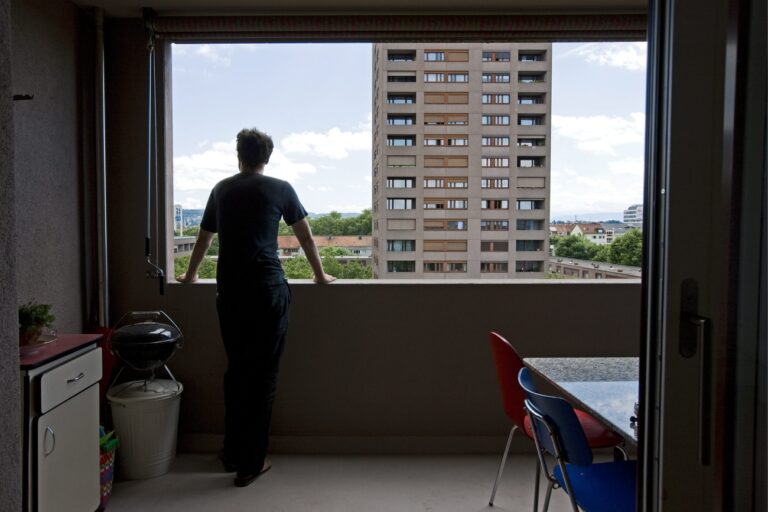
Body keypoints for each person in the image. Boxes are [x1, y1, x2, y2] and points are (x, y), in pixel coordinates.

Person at [177, 128, 335, 487]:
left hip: (230, 292)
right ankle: (250, 463)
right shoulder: (280, 188)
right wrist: (321, 276)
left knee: (237, 372)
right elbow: (305, 236)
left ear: (239, 155)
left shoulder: (222, 189)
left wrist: (189, 275)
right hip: (267, 290)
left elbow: (203, 238)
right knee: (263, 377)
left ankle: (232, 452)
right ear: (267, 157)